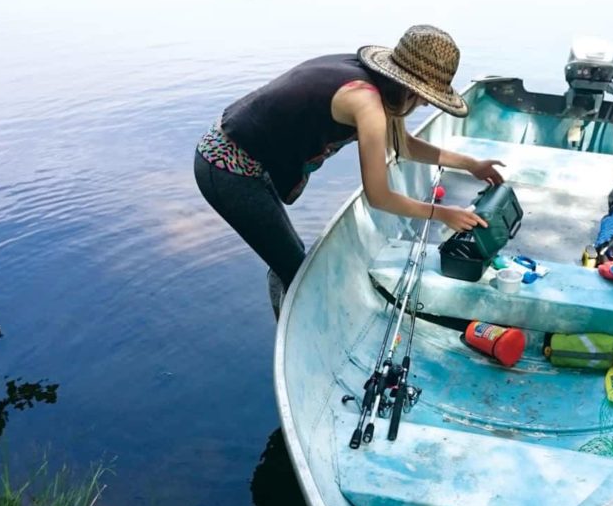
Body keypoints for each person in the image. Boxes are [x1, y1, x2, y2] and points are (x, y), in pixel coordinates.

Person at [193, 24, 504, 306]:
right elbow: (379, 196)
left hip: (244, 157)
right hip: (227, 167)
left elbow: (402, 145)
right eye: (426, 98)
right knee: (298, 272)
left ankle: (287, 309)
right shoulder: (365, 103)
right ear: (410, 89)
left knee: (290, 257)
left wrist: (470, 164)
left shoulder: (377, 83)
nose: (424, 104)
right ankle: (300, 337)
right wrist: (442, 214)